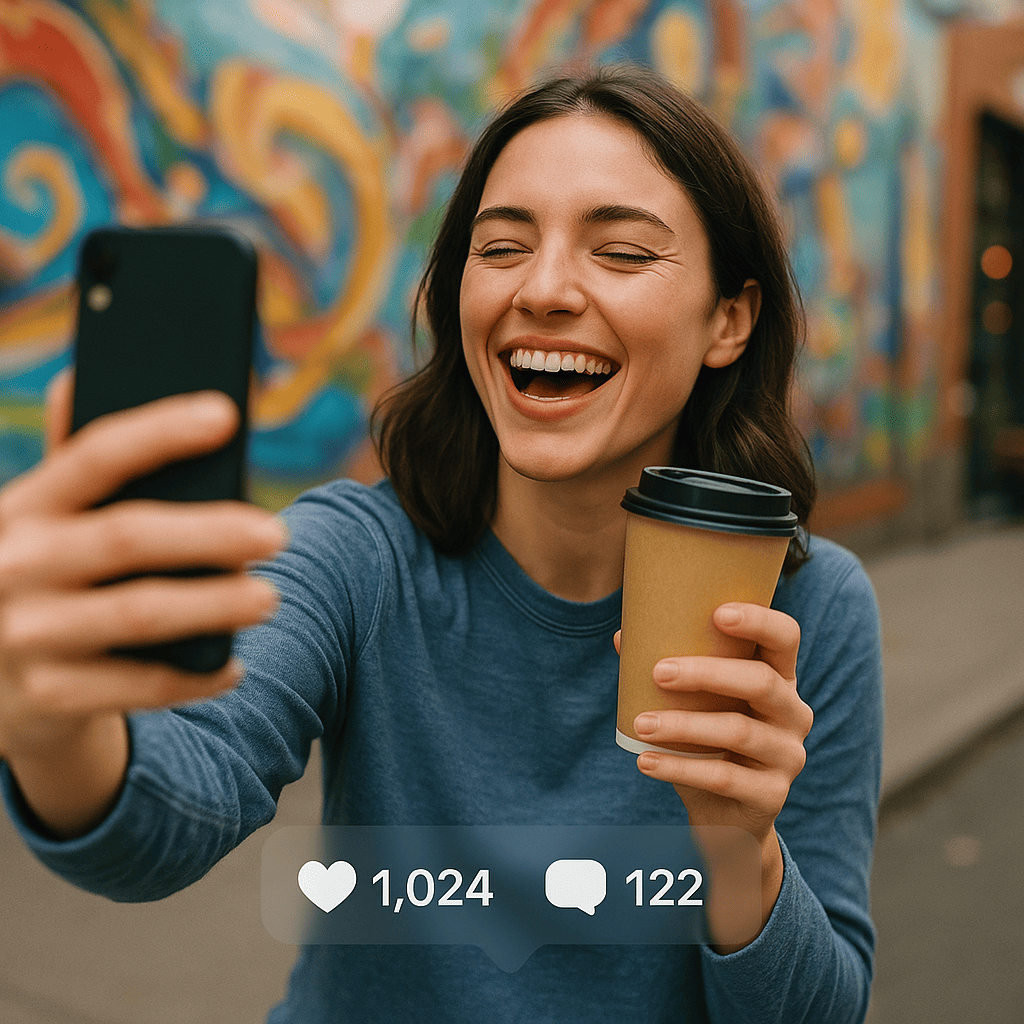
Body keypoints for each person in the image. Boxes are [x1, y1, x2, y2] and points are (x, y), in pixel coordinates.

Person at [0, 65, 882, 1022]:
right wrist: (52, 726)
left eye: (622, 252)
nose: (542, 289)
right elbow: (165, 818)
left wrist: (739, 848)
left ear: (729, 319)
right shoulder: (356, 557)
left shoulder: (811, 608)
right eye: (500, 246)